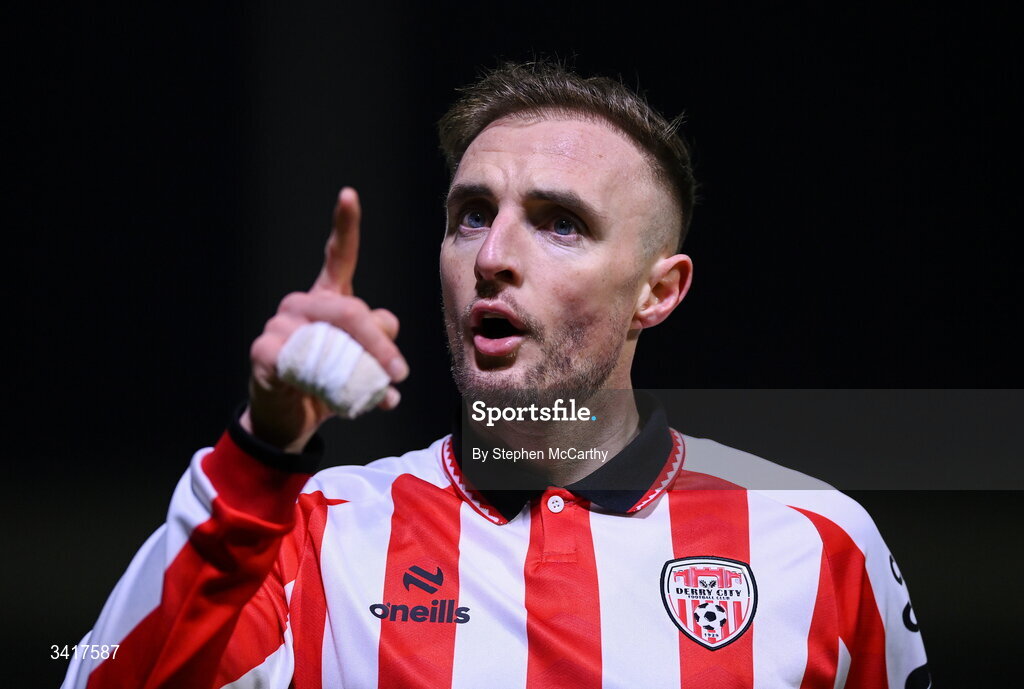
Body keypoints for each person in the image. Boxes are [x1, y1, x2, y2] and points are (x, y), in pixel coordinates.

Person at [62, 61, 929, 689]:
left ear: (658, 292)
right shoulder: (319, 534)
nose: (493, 257)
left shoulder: (817, 543)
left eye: (559, 224)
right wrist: (261, 452)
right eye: (472, 214)